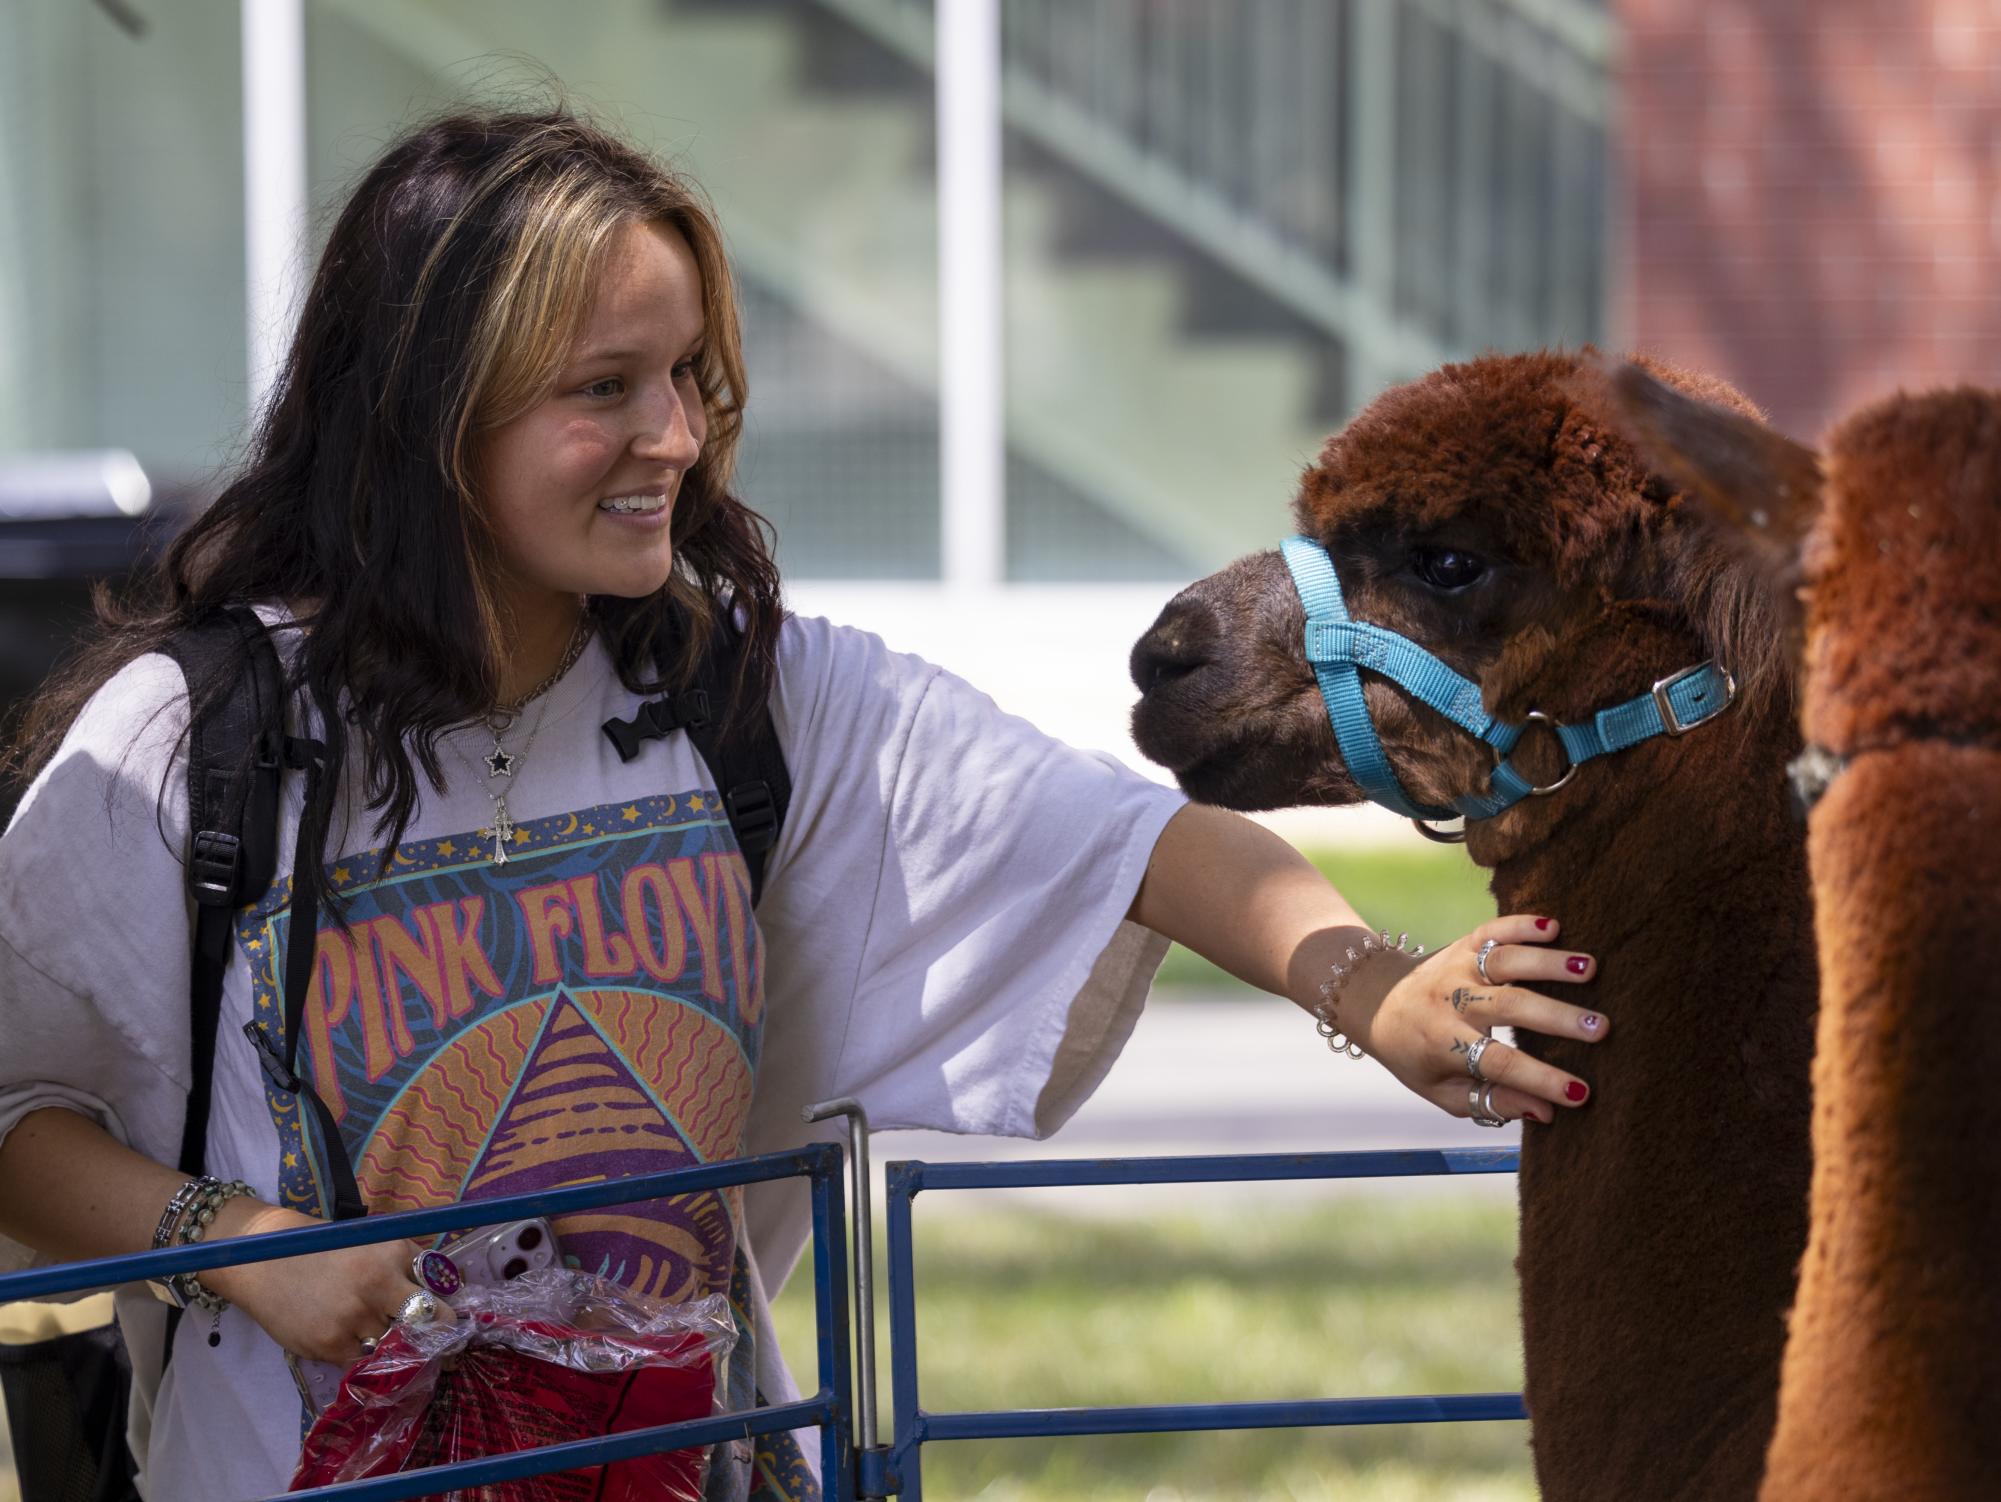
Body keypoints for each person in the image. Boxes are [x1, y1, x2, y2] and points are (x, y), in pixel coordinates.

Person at [0, 106, 1606, 1501]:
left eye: (691, 375)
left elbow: (1137, 843)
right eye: (606, 386)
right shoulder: (191, 743)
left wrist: (1372, 984)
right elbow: (14, 1121)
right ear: (430, 413)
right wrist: (245, 1241)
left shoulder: (743, 696)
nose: (677, 437)